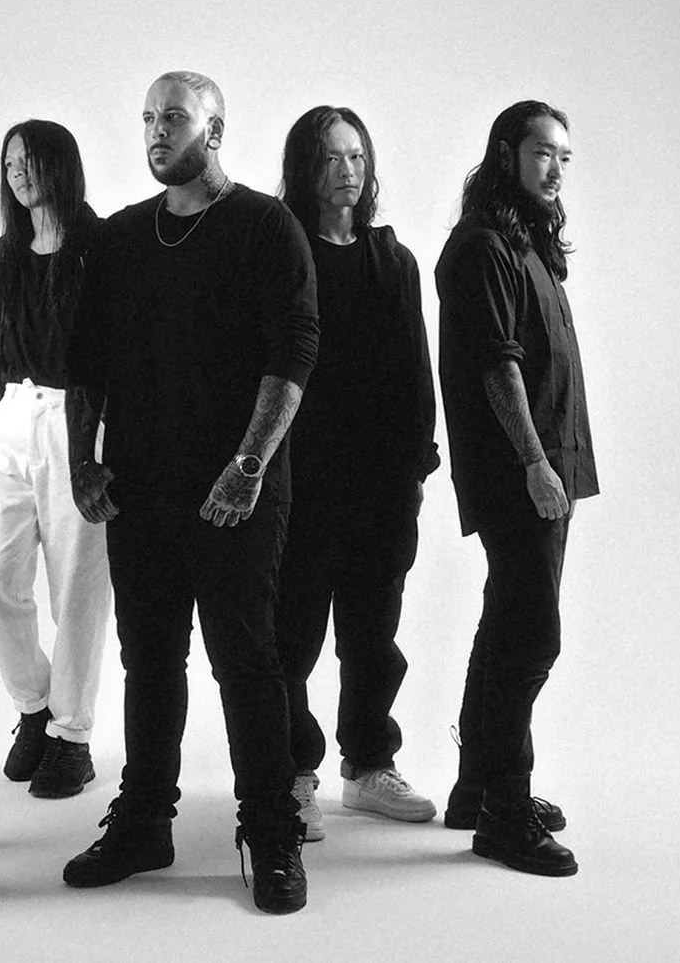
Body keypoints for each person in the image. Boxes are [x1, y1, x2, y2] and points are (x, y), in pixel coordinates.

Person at [60, 71, 319, 915]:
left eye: (174, 116)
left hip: (233, 493)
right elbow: (86, 363)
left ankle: (271, 833)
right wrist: (83, 463)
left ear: (214, 130)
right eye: (147, 117)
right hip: (140, 491)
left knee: (247, 661)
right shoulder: (122, 238)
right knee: (148, 660)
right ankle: (145, 822)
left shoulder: (264, 226)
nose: (156, 130)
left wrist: (248, 466)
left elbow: (293, 355)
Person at [435, 100, 597, 878]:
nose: (556, 168)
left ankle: (478, 787)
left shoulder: (527, 238)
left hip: (551, 462)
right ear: (507, 153)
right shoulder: (482, 246)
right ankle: (505, 812)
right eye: (543, 152)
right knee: (532, 635)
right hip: (517, 469)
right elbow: (496, 366)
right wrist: (533, 462)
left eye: (565, 156)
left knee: (507, 621)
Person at [273, 105, 440, 841]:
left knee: (374, 636)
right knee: (291, 636)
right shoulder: (282, 251)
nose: (348, 170)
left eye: (357, 157)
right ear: (305, 167)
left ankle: (369, 766)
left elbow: (415, 370)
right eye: (332, 157)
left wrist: (415, 469)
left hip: (381, 486)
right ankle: (293, 773)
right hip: (300, 483)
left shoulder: (392, 259)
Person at [0, 119, 112, 800]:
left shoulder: (100, 247)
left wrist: (102, 444)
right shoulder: (3, 255)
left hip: (76, 420)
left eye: (30, 160)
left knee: (77, 587)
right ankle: (34, 707)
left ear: (60, 164)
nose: (19, 172)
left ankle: (72, 735)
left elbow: (117, 354)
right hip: (11, 416)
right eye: (10, 162)